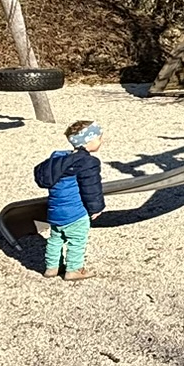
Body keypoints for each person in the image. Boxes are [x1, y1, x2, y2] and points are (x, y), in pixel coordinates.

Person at [35, 120, 107, 280]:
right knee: (77, 241)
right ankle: (74, 269)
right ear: (88, 141)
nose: (102, 141)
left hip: (55, 212)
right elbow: (91, 188)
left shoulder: (56, 160)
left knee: (55, 239)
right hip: (76, 212)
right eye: (99, 138)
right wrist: (96, 208)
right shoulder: (87, 163)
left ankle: (52, 268)